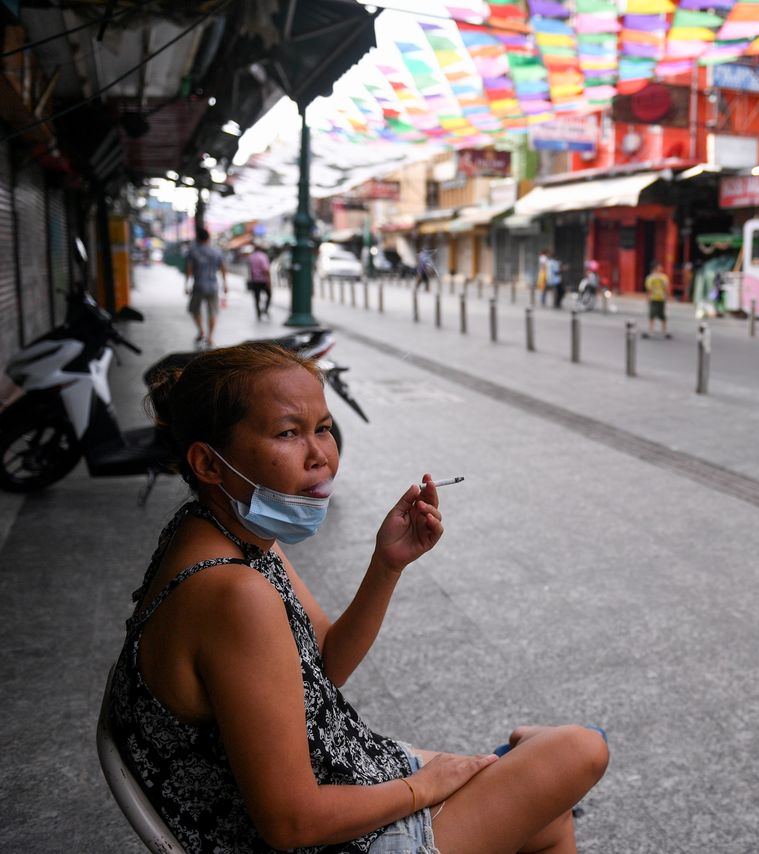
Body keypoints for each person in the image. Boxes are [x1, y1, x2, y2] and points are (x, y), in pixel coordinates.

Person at [108, 343, 609, 854]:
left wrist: (386, 564)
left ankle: (527, 750)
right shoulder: (231, 592)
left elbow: (323, 667)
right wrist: (424, 788)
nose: (320, 454)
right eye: (287, 432)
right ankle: (528, 746)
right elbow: (292, 824)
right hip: (319, 837)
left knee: (549, 815)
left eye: (323, 427)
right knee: (580, 749)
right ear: (208, 464)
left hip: (341, 774)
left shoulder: (218, 531)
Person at [184, 227, 228, 348]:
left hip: (198, 285)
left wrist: (186, 284)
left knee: (194, 310)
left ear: (197, 238)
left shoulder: (192, 251)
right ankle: (210, 337)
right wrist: (225, 285)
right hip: (213, 286)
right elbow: (223, 268)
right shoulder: (216, 252)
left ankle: (201, 331)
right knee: (212, 312)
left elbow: (189, 269)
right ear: (208, 238)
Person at [642, 260, 671, 339]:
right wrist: (647, 298)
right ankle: (650, 332)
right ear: (656, 268)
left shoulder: (663, 277)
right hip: (653, 298)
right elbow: (649, 289)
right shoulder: (651, 278)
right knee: (652, 315)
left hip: (661, 298)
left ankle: (664, 331)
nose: (661, 268)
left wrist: (667, 296)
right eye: (660, 266)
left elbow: (666, 287)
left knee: (662, 316)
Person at [246, 243, 272, 321]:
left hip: (255, 280)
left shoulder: (251, 257)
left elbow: (250, 269)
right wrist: (269, 281)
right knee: (269, 295)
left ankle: (258, 313)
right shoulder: (263, 256)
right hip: (263, 280)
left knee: (256, 298)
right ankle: (265, 309)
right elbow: (266, 270)